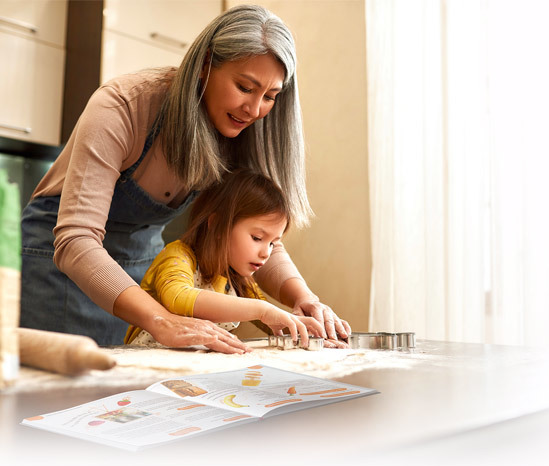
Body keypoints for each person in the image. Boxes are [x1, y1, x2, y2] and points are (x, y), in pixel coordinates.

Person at [20, 4, 350, 352]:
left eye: (269, 96)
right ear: (206, 64)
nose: (254, 110)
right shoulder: (121, 107)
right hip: (61, 264)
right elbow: (76, 240)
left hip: (141, 263)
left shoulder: (241, 132)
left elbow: (259, 232)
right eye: (244, 87)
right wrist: (160, 318)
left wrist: (304, 297)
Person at [125, 170, 327, 348]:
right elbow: (178, 297)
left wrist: (304, 329)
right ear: (218, 224)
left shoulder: (237, 278)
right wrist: (263, 310)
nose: (266, 252)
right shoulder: (178, 255)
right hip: (146, 365)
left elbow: (272, 320)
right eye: (257, 238)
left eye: (273, 243)